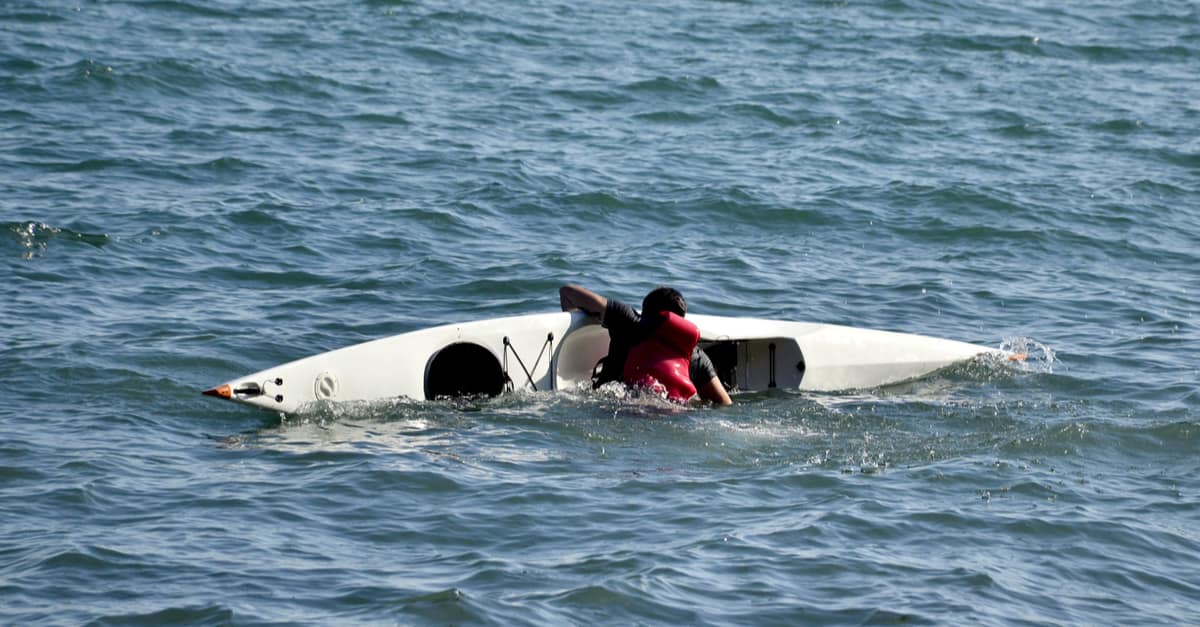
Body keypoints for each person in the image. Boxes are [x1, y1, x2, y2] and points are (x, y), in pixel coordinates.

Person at [559, 284, 733, 406]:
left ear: (646, 314)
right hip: (673, 417)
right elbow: (724, 404)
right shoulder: (695, 356)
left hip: (614, 408)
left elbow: (567, 293)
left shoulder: (629, 322)